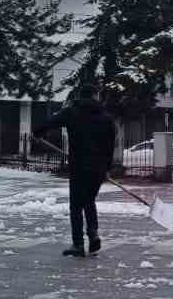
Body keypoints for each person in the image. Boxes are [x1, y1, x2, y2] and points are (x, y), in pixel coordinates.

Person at [35, 83, 117, 257]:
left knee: (76, 205)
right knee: (89, 201)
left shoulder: (71, 112)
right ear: (95, 96)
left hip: (79, 166)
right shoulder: (106, 117)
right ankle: (93, 233)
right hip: (98, 168)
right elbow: (110, 147)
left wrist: (38, 132)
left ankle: (78, 244)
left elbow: (50, 122)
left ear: (80, 95)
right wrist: (107, 168)